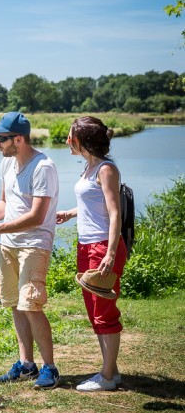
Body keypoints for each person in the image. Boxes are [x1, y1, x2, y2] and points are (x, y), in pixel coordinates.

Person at [0, 111, 60, 390]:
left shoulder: (43, 167)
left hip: (33, 244)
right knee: (15, 306)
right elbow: (5, 204)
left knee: (31, 305)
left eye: (1, 138)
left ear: (18, 139)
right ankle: (27, 365)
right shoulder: (7, 165)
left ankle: (51, 369)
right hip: (9, 245)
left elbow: (37, 216)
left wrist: (0, 229)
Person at [56, 116, 127, 392]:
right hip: (86, 245)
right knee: (93, 311)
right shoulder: (89, 167)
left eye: (70, 137)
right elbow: (92, 203)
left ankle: (107, 378)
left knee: (104, 312)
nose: (66, 141)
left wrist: (110, 253)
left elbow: (114, 213)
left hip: (101, 247)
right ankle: (112, 371)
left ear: (83, 141)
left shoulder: (106, 169)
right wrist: (70, 212)